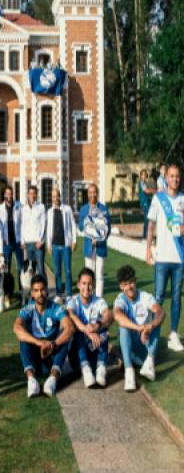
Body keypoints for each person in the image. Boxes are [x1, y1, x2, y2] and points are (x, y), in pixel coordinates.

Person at [13, 274, 74, 398]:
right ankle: (32, 381)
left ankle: (52, 380)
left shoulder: (56, 308)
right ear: (32, 293)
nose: (40, 293)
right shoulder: (28, 309)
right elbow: (16, 328)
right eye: (36, 290)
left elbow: (70, 328)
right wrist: (38, 342)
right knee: (23, 339)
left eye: (42, 289)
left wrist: (53, 344)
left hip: (50, 352)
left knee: (65, 338)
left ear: (47, 290)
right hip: (35, 353)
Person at [146, 164, 184, 352]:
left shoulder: (183, 200)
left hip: (179, 258)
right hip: (162, 258)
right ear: (166, 178)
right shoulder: (158, 198)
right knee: (159, 297)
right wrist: (147, 250)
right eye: (172, 176)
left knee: (176, 298)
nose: (175, 179)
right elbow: (151, 225)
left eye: (177, 176)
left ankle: (173, 335)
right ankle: (153, 334)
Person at [114, 265, 164, 391]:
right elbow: (117, 315)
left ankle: (149, 363)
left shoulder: (145, 296)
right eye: (125, 284)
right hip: (131, 352)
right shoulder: (120, 299)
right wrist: (139, 328)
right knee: (123, 327)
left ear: (135, 281)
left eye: (131, 282)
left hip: (146, 349)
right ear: (121, 286)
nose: (129, 287)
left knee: (157, 320)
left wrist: (150, 326)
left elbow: (160, 312)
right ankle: (129, 372)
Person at [67, 268, 113, 388]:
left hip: (94, 349)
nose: (86, 288)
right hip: (77, 355)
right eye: (84, 283)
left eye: (90, 284)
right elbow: (70, 314)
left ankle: (101, 368)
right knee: (76, 330)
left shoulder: (99, 301)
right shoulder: (73, 301)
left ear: (93, 285)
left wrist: (97, 325)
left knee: (104, 329)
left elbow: (109, 315)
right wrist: (87, 330)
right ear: (78, 285)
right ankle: (85, 369)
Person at [78, 183, 110, 297]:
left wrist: (99, 239)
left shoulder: (104, 208)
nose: (93, 195)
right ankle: (89, 297)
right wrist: (86, 222)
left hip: (100, 247)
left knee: (100, 274)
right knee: (88, 275)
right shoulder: (83, 209)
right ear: (88, 194)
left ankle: (99, 298)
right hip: (88, 247)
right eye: (90, 192)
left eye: (94, 192)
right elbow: (80, 227)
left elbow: (107, 229)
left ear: (97, 193)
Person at [46, 188, 77, 300]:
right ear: (52, 198)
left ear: (60, 196)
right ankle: (59, 294)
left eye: (57, 196)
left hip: (66, 246)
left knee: (68, 271)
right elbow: (49, 229)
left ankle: (68, 294)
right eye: (54, 196)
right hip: (55, 246)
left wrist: (74, 241)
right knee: (57, 272)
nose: (56, 198)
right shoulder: (49, 212)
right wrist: (48, 244)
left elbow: (73, 225)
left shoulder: (67, 209)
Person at [0, 185, 24, 283]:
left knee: (21, 267)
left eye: (11, 194)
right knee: (5, 268)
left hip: (18, 242)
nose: (9, 196)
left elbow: (23, 223)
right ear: (4, 195)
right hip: (6, 243)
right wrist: (0, 251)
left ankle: (22, 290)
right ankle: (6, 292)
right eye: (7, 194)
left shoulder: (19, 206)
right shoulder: (0, 209)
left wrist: (23, 240)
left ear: (13, 195)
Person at [21, 185, 46, 277]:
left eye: (34, 193)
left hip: (38, 243)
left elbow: (44, 225)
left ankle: (44, 289)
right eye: (30, 193)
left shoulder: (41, 207)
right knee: (31, 269)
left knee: (40, 268)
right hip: (28, 244)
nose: (32, 195)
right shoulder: (24, 209)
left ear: (36, 195)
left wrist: (41, 241)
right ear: (28, 195)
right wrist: (23, 241)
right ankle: (33, 290)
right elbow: (22, 225)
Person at [138, 169, 155, 239]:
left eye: (145, 175)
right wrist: (155, 191)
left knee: (148, 219)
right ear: (141, 176)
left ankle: (146, 236)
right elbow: (146, 191)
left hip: (147, 202)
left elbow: (148, 191)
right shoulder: (141, 183)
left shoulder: (145, 183)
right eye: (143, 175)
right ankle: (145, 237)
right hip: (144, 202)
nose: (144, 176)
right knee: (146, 219)